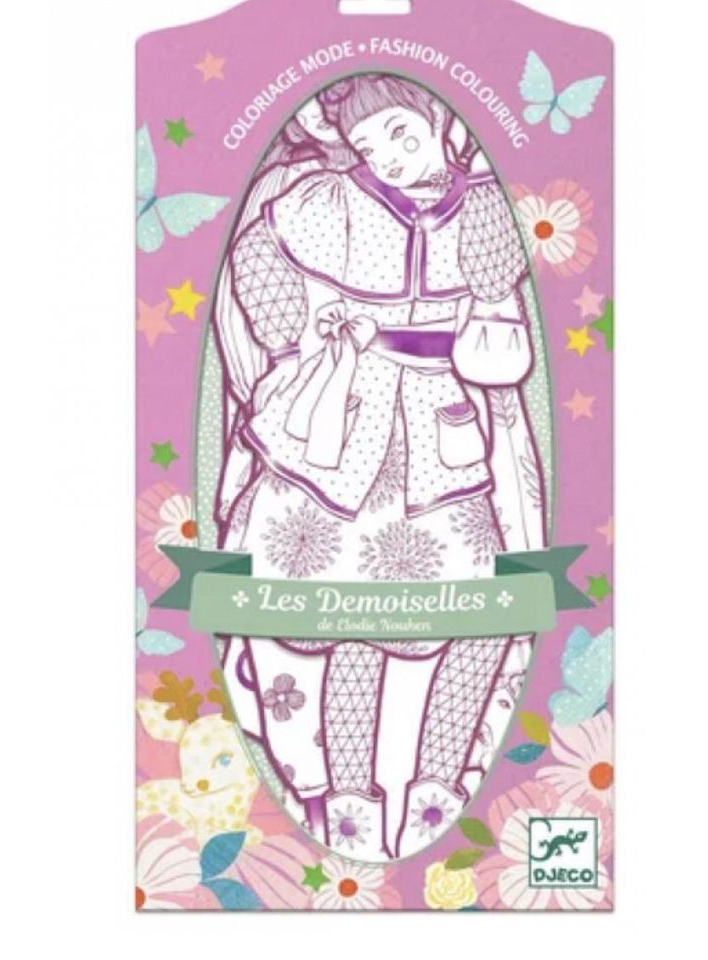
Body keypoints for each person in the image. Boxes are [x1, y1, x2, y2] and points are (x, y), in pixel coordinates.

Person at [217, 73, 546, 860]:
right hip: (348, 418)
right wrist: (288, 335)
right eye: (370, 146)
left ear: (438, 123)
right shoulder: (331, 202)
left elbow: (498, 282)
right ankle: (347, 805)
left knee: (478, 607)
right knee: (352, 623)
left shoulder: (485, 204)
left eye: (403, 134)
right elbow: (257, 248)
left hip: (445, 420)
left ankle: (439, 791)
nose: (391, 157)